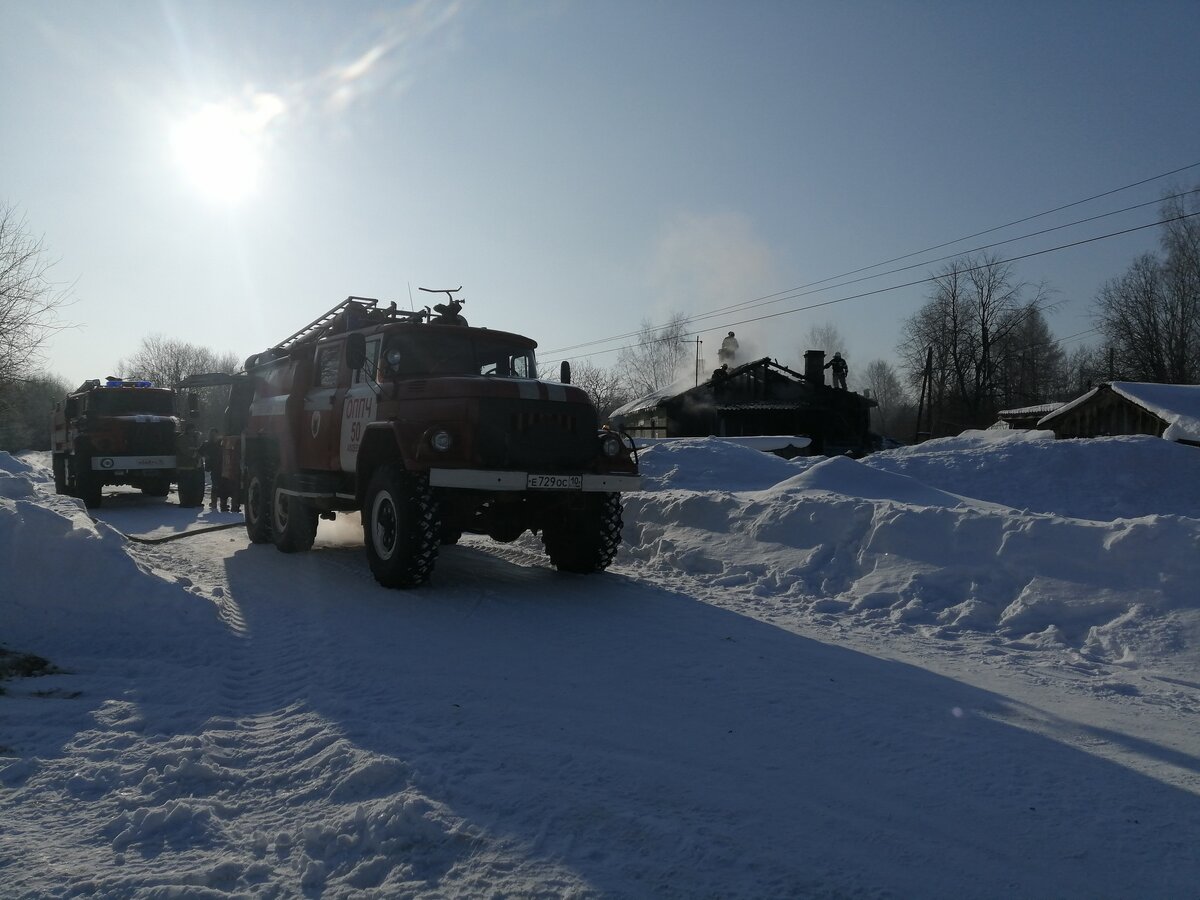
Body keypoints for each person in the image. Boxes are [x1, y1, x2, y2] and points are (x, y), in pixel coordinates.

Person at [197, 428, 225, 510]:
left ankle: (223, 503)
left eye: (214, 434)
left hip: (222, 465)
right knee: (215, 485)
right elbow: (200, 452)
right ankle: (214, 503)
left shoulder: (221, 443)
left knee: (223, 485)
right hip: (214, 467)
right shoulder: (207, 444)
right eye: (211, 434)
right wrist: (206, 456)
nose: (213, 436)